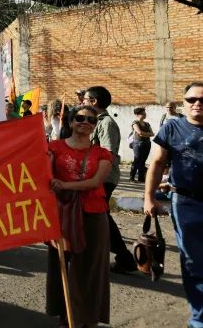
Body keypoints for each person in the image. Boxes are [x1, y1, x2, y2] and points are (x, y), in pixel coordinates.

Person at [46, 105, 113, 328]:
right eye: (80, 118)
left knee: (92, 269)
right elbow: (45, 177)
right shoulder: (53, 148)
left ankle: (88, 318)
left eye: (91, 120)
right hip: (62, 214)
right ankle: (68, 317)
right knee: (64, 267)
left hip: (94, 216)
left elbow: (95, 183)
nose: (85, 122)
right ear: (71, 122)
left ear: (95, 126)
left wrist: (64, 184)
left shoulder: (102, 153)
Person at [144, 82, 203, 328]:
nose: (197, 103)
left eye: (202, 99)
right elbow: (157, 163)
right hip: (186, 203)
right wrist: (149, 198)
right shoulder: (172, 127)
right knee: (193, 262)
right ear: (183, 102)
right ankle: (199, 319)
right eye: (191, 99)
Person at [83, 86, 136, 273]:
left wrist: (95, 178)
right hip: (97, 177)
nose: (82, 102)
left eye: (85, 99)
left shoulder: (105, 123)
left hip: (103, 178)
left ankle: (123, 257)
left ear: (94, 102)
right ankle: (123, 257)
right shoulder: (95, 121)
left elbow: (108, 154)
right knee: (99, 216)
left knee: (100, 217)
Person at [130, 107, 154, 182]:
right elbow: (139, 132)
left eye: (145, 113)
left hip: (147, 143)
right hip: (138, 144)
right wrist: (147, 134)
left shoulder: (147, 124)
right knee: (137, 160)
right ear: (137, 114)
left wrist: (144, 134)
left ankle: (141, 178)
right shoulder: (135, 123)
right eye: (142, 113)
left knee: (143, 161)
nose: (144, 115)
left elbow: (152, 134)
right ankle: (132, 178)